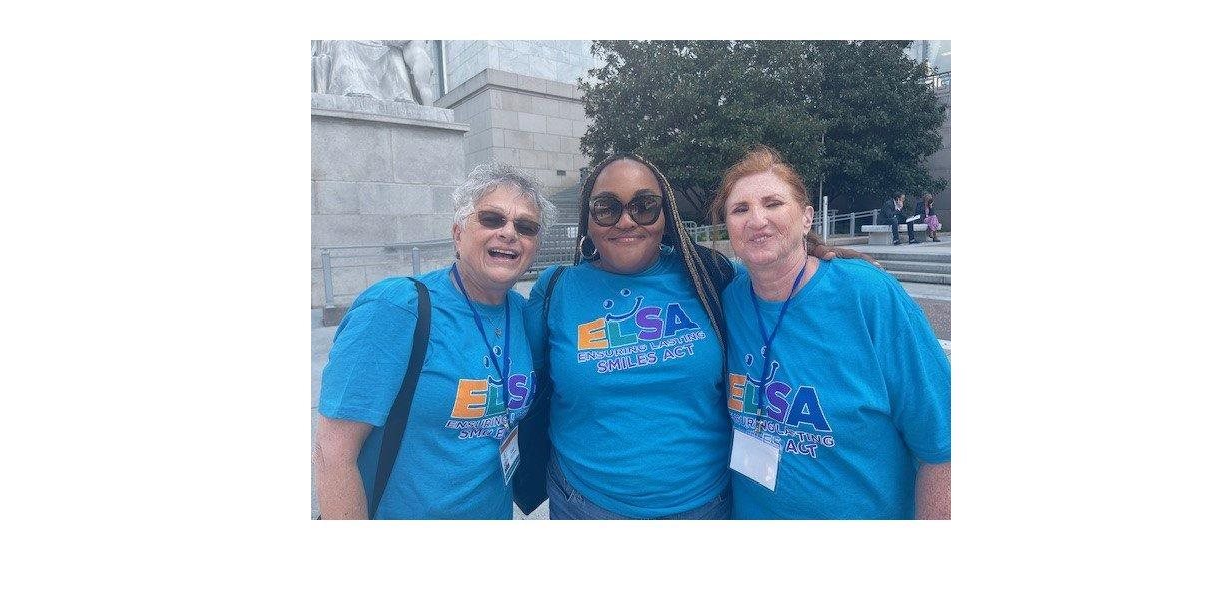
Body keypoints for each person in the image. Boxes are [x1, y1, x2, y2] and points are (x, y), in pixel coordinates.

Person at [522, 153, 877, 520]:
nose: (626, 221)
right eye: (607, 208)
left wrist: (810, 249)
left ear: (666, 215)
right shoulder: (555, 290)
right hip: (584, 506)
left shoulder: (708, 274)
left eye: (644, 206)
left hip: (705, 508)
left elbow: (774, 272)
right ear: (588, 219)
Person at [711, 145, 950, 519]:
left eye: (773, 204)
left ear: (806, 218)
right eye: (740, 209)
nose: (757, 219)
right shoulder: (726, 300)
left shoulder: (867, 295)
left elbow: (943, 444)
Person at [314, 163, 556, 519]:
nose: (509, 233)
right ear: (458, 233)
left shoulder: (524, 315)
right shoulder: (395, 308)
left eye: (526, 227)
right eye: (491, 219)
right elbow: (332, 453)